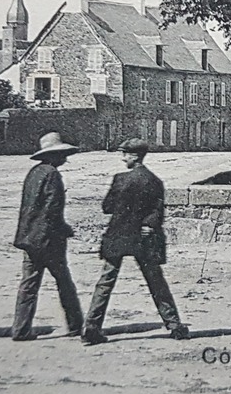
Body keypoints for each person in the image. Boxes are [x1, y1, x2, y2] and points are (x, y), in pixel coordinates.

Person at [82, 139, 191, 345]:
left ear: (134, 156)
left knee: (105, 283)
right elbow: (156, 213)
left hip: (119, 235)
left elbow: (106, 207)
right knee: (156, 283)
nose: (123, 158)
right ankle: (175, 326)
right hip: (144, 237)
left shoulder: (120, 179)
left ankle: (91, 327)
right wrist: (146, 223)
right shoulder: (155, 181)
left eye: (125, 154)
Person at [11, 132, 85, 341]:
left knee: (29, 284)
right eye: (61, 154)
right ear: (53, 155)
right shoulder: (52, 175)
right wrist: (64, 229)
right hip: (49, 240)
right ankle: (76, 325)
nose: (64, 158)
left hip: (29, 238)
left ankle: (21, 329)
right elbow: (52, 209)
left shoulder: (34, 173)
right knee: (64, 283)